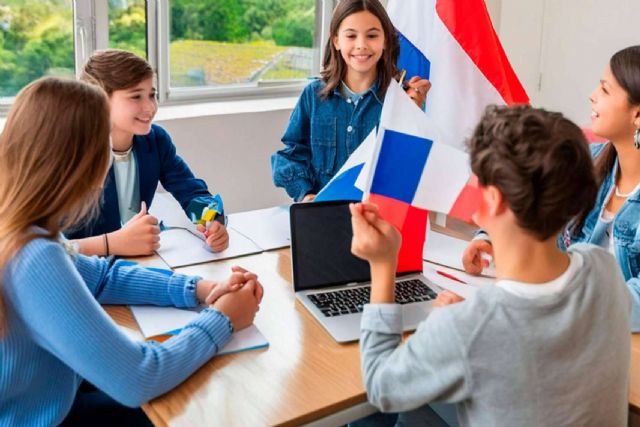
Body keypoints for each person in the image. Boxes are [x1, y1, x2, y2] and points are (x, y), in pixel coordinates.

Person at [0, 77, 263, 426]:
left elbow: (102, 276)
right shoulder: (33, 256)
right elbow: (138, 377)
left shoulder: (19, 226)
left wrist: (201, 289)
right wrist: (224, 319)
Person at [350, 105, 631, 425]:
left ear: (494, 199)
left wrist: (384, 264)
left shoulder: (468, 327)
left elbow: (380, 386)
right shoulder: (604, 269)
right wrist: (464, 323)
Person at [463, 45, 640, 332]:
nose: (592, 95)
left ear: (638, 115)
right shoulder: (588, 159)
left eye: (605, 90)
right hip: (551, 325)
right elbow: (525, 200)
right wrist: (491, 238)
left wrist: (545, 304)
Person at [67, 49, 229, 256]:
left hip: (139, 261)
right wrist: (111, 243)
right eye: (136, 97)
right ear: (99, 99)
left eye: (152, 95)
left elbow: (191, 191)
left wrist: (211, 221)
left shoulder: (155, 140)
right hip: (85, 270)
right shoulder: (71, 153)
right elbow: (53, 247)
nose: (150, 107)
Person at [271, 0, 430, 202]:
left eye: (372, 35)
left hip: (379, 218)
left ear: (386, 41)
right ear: (336, 40)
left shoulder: (402, 98)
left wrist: (412, 113)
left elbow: (409, 168)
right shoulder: (313, 95)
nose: (361, 45)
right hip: (324, 217)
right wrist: (305, 194)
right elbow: (291, 154)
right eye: (351, 35)